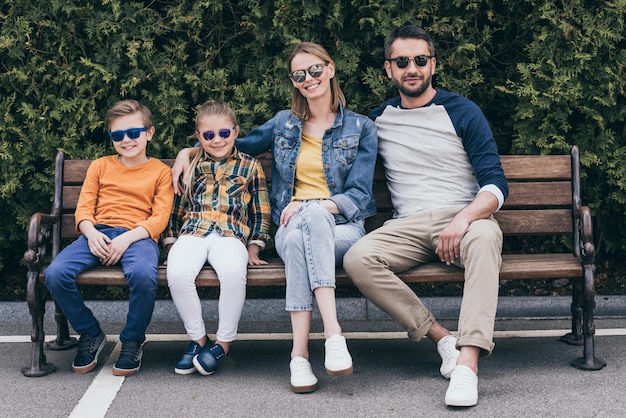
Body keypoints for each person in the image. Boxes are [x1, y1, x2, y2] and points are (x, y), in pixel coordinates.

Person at [172, 42, 378, 392]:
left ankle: (301, 354)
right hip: (288, 225)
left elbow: (358, 197)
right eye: (300, 74)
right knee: (298, 233)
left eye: (315, 70)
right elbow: (234, 146)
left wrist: (315, 206)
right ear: (294, 81)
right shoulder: (284, 123)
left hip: (341, 228)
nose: (309, 79)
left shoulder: (361, 127)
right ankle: (332, 337)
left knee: (308, 226)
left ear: (330, 69)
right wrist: (187, 151)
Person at [343, 25, 509, 407]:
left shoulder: (462, 111)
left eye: (420, 60)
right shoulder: (375, 121)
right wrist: (195, 151)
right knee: (357, 258)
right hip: (408, 225)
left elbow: (496, 184)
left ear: (433, 64)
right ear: (389, 69)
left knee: (485, 239)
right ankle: (443, 340)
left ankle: (467, 365)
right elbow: (316, 140)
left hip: (463, 219)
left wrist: (464, 219)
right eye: (402, 62)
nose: (412, 68)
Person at [44, 99, 174, 376]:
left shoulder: (161, 172)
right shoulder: (100, 166)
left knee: (142, 275)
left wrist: (126, 239)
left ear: (149, 133)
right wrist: (90, 233)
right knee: (55, 273)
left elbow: (159, 218)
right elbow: (84, 209)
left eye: (134, 133)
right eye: (118, 135)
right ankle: (91, 333)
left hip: (138, 238)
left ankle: (132, 340)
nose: (126, 140)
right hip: (98, 233)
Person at [164, 100, 271, 376]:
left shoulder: (250, 166)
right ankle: (199, 340)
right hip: (193, 232)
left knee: (235, 272)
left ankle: (222, 344)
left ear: (235, 131)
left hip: (230, 235)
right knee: (176, 273)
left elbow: (260, 212)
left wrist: (255, 246)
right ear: (198, 137)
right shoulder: (190, 163)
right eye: (209, 135)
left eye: (224, 133)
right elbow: (176, 209)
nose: (217, 140)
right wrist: (172, 242)